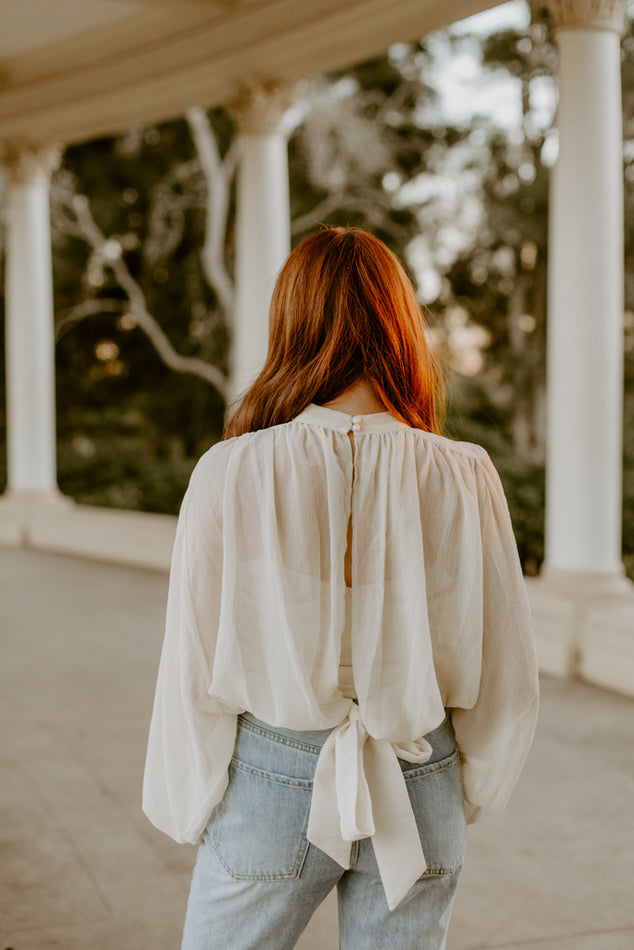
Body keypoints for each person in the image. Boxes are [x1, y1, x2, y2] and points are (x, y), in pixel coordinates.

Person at [142, 226, 540, 950]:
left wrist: (188, 792)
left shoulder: (233, 472)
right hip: (421, 767)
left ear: (291, 321)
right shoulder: (463, 472)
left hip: (275, 774)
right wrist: (467, 783)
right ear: (400, 324)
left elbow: (192, 661)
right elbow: (506, 658)